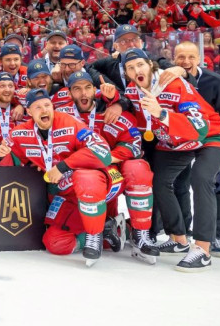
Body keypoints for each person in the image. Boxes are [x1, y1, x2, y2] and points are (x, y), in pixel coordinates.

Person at [122, 48, 220, 272]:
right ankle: (179, 238)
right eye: (131, 68)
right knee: (159, 181)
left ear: (151, 65)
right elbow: (138, 118)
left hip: (211, 135)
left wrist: (162, 114)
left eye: (140, 65)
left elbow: (198, 128)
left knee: (200, 177)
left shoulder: (173, 84)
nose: (136, 71)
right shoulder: (133, 90)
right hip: (176, 142)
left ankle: (202, 248)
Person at [0, 88, 113, 267]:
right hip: (63, 196)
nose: (44, 110)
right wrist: (0, 154)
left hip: (92, 183)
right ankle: (104, 229)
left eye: (47, 105)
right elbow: (6, 163)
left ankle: (94, 235)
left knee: (87, 179)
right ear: (28, 112)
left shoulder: (70, 123)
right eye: (37, 107)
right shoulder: (19, 133)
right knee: (55, 243)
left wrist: (63, 166)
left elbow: (102, 152)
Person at [67, 71, 159, 264]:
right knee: (86, 178)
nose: (83, 93)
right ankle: (102, 230)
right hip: (75, 176)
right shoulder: (62, 116)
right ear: (69, 93)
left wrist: (103, 159)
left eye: (87, 87)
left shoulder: (114, 113)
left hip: (110, 172)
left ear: (95, 90)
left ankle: (141, 234)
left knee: (138, 169)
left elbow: (132, 145)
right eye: (77, 89)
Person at [172, 41, 220, 257]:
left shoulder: (215, 81)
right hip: (184, 140)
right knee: (180, 183)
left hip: (212, 142)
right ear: (174, 59)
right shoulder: (170, 81)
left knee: (216, 184)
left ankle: (215, 235)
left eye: (191, 57)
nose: (186, 62)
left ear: (199, 58)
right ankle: (183, 233)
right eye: (181, 57)